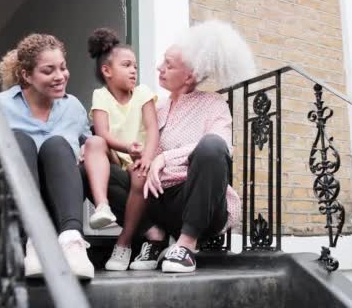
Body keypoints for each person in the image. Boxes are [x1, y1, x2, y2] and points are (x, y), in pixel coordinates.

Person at [81, 20, 255, 273]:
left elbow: (222, 146)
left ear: (190, 76)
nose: (159, 68)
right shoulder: (154, 106)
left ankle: (186, 245)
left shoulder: (214, 104)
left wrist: (164, 158)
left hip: (197, 201)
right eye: (162, 61)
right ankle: (154, 235)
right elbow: (125, 138)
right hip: (157, 200)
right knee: (91, 168)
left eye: (168, 65)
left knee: (211, 146)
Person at [0, 33, 94, 279]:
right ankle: (32, 243)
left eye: (63, 68)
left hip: (57, 207)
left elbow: (91, 153)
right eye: (48, 70)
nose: (60, 76)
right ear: (26, 75)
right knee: (19, 140)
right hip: (9, 208)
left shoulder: (73, 107)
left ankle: (73, 243)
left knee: (56, 145)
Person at [82, 28, 159, 271]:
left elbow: (153, 130)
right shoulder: (100, 96)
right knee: (93, 143)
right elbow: (102, 133)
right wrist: (127, 147)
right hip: (117, 158)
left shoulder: (144, 94)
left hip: (141, 162)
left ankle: (124, 242)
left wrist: (146, 156)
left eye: (135, 65)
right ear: (107, 71)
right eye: (126, 65)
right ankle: (102, 206)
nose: (133, 70)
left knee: (139, 175)